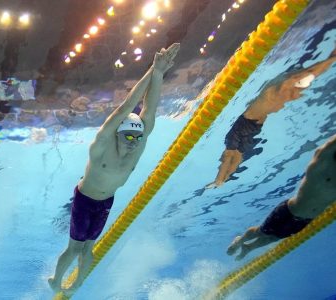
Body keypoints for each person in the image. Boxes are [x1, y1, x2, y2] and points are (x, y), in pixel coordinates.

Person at [48, 43, 180, 295]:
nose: (134, 143)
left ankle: (76, 285)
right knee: (74, 248)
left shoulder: (137, 144)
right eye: (129, 137)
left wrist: (159, 74)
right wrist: (151, 69)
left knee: (89, 248)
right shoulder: (101, 147)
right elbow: (126, 107)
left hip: (106, 202)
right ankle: (56, 279)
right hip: (85, 200)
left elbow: (149, 110)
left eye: (138, 138)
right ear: (118, 133)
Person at [207, 49, 336, 188]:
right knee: (232, 153)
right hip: (248, 121)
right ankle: (220, 179)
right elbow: (308, 73)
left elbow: (307, 74)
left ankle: (222, 180)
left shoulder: (278, 89)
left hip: (255, 124)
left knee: (236, 154)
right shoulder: (279, 88)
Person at [227, 135, 336, 260]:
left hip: (306, 220)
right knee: (262, 232)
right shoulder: (323, 163)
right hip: (289, 211)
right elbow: (328, 146)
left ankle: (249, 248)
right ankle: (241, 240)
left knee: (274, 238)